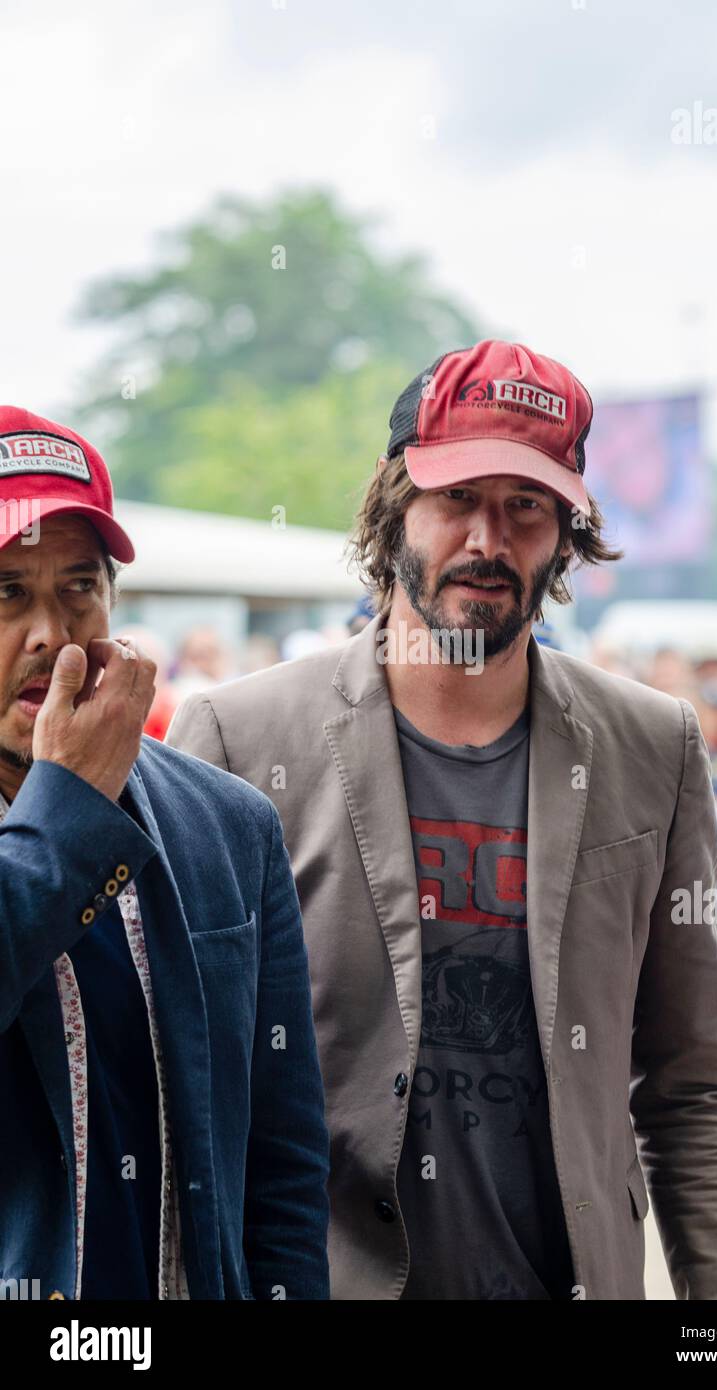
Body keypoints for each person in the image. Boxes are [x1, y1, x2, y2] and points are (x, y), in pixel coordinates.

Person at [167, 339, 717, 1301]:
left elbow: (693, 1085)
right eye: (457, 498)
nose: (488, 541)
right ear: (393, 500)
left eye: (525, 506)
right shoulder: (240, 739)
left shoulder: (651, 747)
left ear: (566, 533)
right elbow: (181, 1089)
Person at [0, 407, 329, 1301]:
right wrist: (67, 810)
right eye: (6, 593)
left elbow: (284, 1160)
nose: (49, 633)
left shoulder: (227, 823)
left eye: (79, 588)